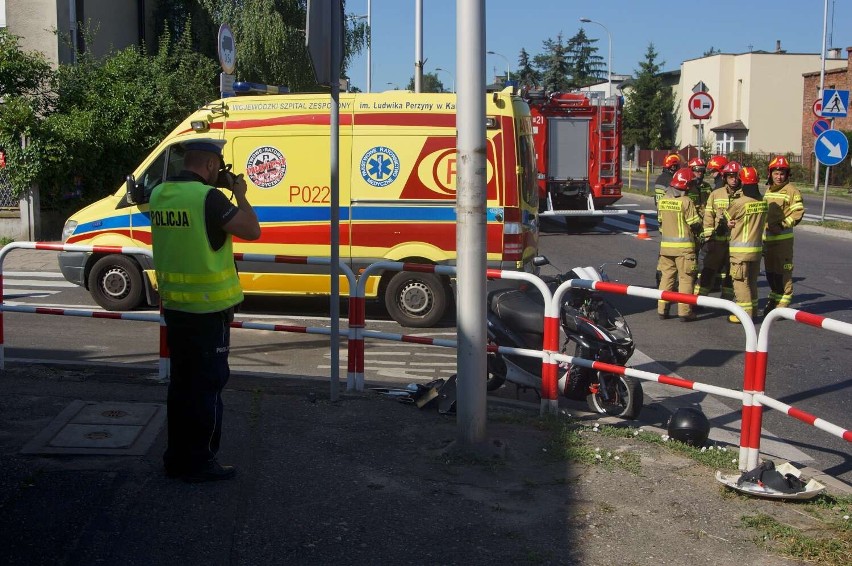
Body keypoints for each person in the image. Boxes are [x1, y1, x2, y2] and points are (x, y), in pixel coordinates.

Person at [150, 138, 261, 483]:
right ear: (212, 165)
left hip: (176, 307)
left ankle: (177, 457)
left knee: (182, 386)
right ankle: (200, 461)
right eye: (220, 165)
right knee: (208, 387)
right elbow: (252, 230)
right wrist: (240, 192)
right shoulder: (207, 198)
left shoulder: (159, 194)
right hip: (208, 311)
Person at [657, 167, 702, 322]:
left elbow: (660, 223)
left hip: (665, 248)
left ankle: (662, 309)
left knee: (667, 278)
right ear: (687, 185)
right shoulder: (686, 201)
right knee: (686, 279)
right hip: (684, 250)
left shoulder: (663, 200)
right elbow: (695, 224)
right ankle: (685, 311)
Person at [724, 166, 767, 324]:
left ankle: (744, 315)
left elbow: (726, 218)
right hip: (756, 250)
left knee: (741, 283)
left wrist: (729, 222)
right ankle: (753, 311)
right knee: (752, 282)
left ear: (742, 181)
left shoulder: (739, 202)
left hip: (740, 252)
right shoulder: (762, 201)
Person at [762, 156, 804, 316]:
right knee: (770, 272)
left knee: (783, 273)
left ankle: (784, 302)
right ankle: (774, 297)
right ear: (770, 174)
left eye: (782, 174)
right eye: (776, 173)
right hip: (768, 240)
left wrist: (782, 225)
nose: (779, 177)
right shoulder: (769, 190)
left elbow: (798, 212)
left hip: (782, 242)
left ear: (787, 175)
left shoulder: (791, 191)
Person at [695, 161, 740, 299]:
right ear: (725, 177)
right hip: (717, 242)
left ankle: (726, 301)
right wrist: (709, 239)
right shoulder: (716, 194)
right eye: (730, 176)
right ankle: (699, 300)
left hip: (736, 243)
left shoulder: (745, 195)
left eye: (736, 176)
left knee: (731, 273)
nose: (733, 179)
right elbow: (708, 217)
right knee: (708, 270)